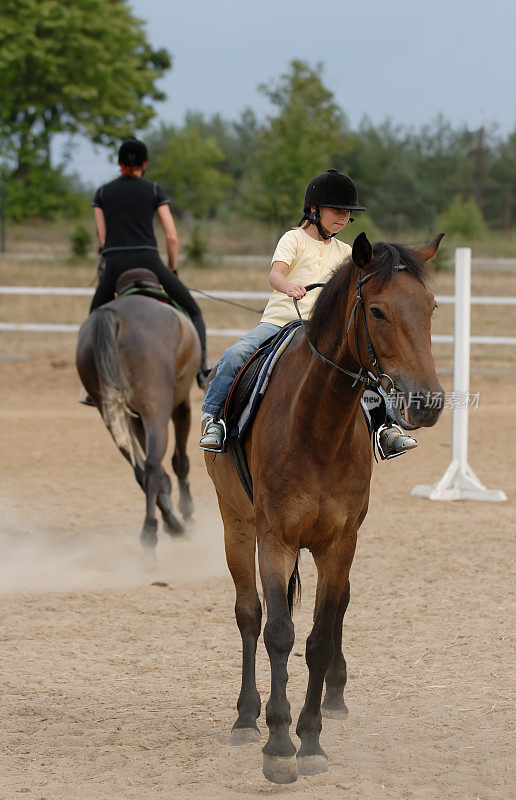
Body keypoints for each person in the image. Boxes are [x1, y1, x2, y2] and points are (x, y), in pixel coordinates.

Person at [199, 168, 418, 457]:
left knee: (367, 371)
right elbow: (275, 276)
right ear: (314, 209)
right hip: (280, 323)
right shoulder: (293, 239)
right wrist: (288, 286)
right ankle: (214, 418)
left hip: (323, 329)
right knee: (236, 355)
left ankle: (385, 427)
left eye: (347, 213)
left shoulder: (345, 251)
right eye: (337, 210)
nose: (343, 217)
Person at [89, 137, 210, 388]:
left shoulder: (102, 193)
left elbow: (102, 238)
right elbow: (172, 237)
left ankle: (96, 382)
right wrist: (172, 269)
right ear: (144, 163)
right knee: (195, 311)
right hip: (149, 261)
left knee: (94, 318)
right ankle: (200, 371)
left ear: (119, 163)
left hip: (114, 265)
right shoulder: (153, 190)